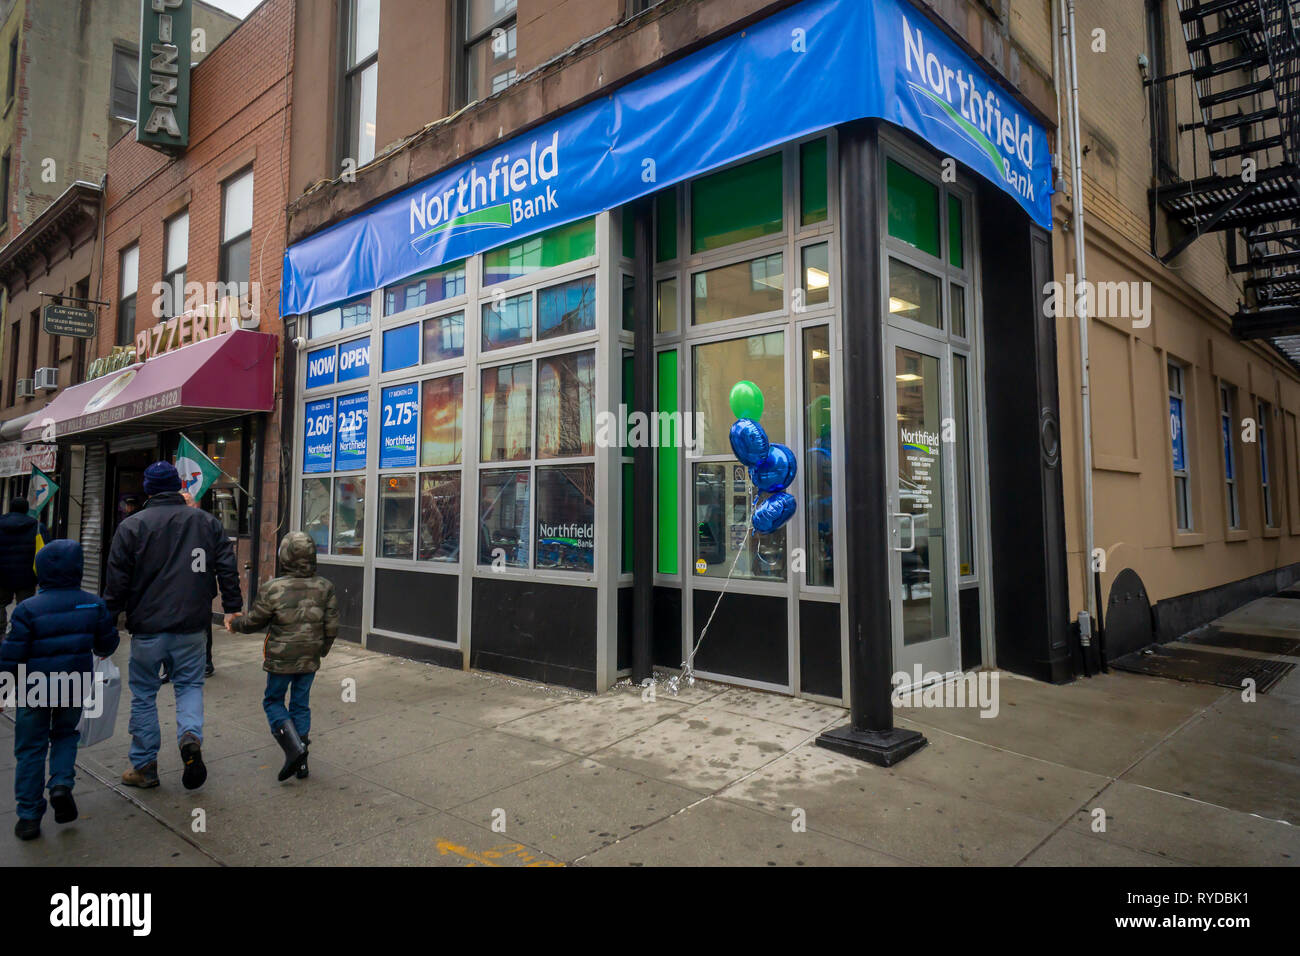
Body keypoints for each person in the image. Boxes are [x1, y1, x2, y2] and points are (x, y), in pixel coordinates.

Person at [103, 461, 242, 791]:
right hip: (192, 624)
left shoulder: (132, 526)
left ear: (148, 490)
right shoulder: (205, 522)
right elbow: (227, 566)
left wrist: (106, 624)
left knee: (144, 695)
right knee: (189, 686)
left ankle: (145, 765)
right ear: (178, 486)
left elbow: (116, 582)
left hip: (147, 627)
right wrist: (232, 608)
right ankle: (190, 737)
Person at [0, 540, 119, 840]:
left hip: (34, 687)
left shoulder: (27, 609)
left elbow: (11, 656)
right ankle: (61, 784)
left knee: (30, 748)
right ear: (77, 568)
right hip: (74, 684)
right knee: (66, 735)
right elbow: (107, 644)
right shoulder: (93, 604)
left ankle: (28, 816)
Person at [228, 532, 337, 781]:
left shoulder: (273, 588)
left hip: (280, 659)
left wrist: (234, 624)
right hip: (309, 657)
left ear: (284, 557)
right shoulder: (325, 587)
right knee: (300, 704)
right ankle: (302, 761)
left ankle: (293, 748)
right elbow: (331, 626)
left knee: (273, 701)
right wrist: (322, 649)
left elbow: (254, 621)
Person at [0, 496, 47, 635]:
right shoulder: (37, 526)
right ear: (26, 510)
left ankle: (1, 632)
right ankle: (19, 632)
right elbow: (46, 550)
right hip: (27, 576)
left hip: (2, 575)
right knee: (25, 606)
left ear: (10, 508)